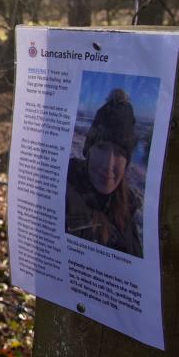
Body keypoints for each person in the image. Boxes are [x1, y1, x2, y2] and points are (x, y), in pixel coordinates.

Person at [63, 88, 144, 257]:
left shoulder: (127, 205)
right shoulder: (66, 194)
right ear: (89, 150)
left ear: (127, 161)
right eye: (102, 147)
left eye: (120, 153)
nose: (108, 164)